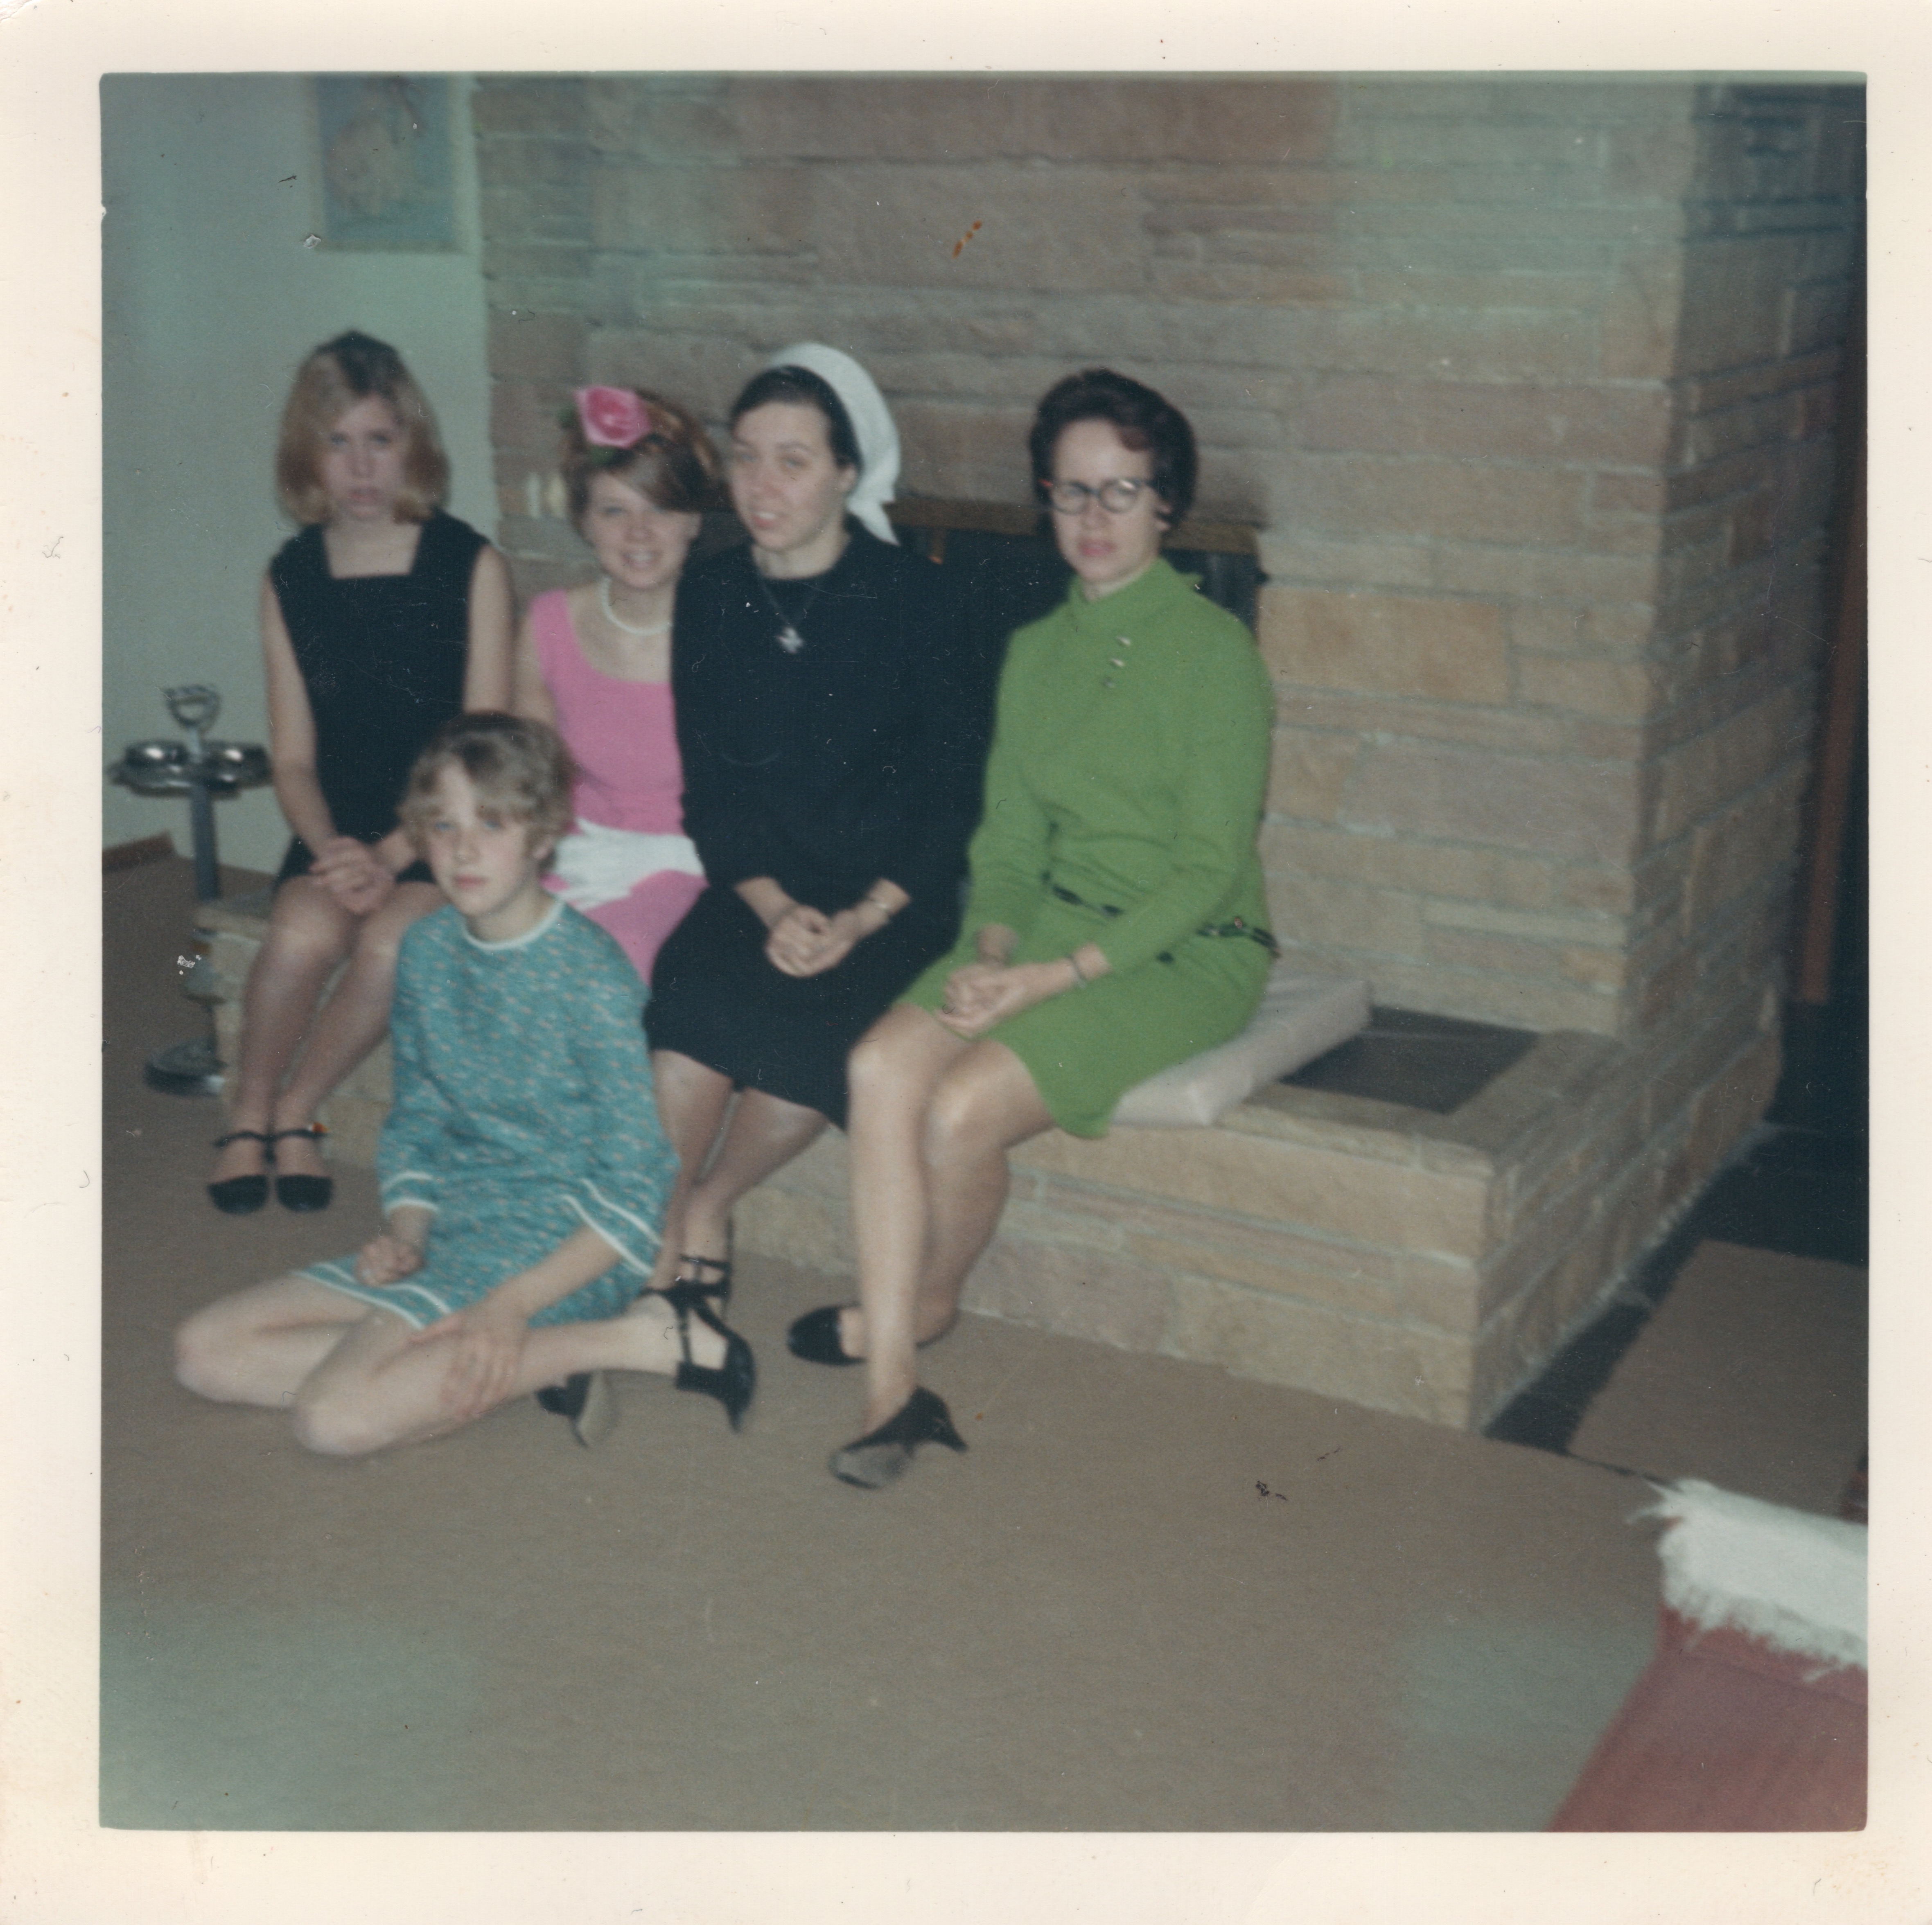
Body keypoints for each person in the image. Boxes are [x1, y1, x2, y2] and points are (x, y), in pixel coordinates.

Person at [790, 369, 1277, 1488]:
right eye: (1071, 493)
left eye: (1121, 493)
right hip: (1046, 929)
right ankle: (893, 1398)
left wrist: (1050, 980)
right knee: (877, 1067)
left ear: (1168, 504)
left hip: (1189, 950)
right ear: (1045, 501)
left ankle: (925, 1308)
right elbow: (1006, 852)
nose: (1092, 521)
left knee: (960, 1110)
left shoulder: (1217, 657)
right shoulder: (1033, 652)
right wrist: (996, 952)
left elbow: (1208, 875)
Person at [173, 714, 754, 1456]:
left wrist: (511, 1305)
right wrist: (408, 1235)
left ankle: (630, 1341)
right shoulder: (425, 949)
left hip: (564, 1249)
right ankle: (476, 1355)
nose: (465, 850)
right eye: (442, 827)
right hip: (455, 1229)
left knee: (334, 1419)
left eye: (493, 824)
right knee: (205, 1352)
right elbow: (418, 1118)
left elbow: (637, 1194)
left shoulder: (593, 977)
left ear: (544, 835)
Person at [641, 344, 993, 1306]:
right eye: (746, 456)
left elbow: (951, 798)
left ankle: (709, 1205)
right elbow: (710, 793)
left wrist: (859, 919)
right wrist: (770, 907)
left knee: (810, 1047)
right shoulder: (709, 597)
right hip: (758, 888)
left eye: (792, 461)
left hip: (889, 904)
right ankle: (653, 1237)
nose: (761, 484)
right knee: (687, 1025)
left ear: (846, 472)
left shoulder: (921, 601)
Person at [206, 331, 514, 1217]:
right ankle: (249, 1111)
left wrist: (393, 851)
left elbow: (479, 751)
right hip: (335, 831)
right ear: (307, 455)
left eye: (379, 440)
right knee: (300, 936)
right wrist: (333, 850)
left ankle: (300, 1114)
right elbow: (292, 757)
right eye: (337, 443)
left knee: (393, 943)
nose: (361, 467)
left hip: (450, 828)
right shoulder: (289, 577)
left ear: (412, 444)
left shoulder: (470, 564)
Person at [510, 385, 717, 984]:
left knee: (610, 960)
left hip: (686, 869)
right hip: (571, 856)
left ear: (694, 520)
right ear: (585, 522)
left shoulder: (730, 634)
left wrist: (661, 857)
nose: (639, 534)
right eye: (614, 511)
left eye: (661, 509)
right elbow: (528, 783)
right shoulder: (548, 625)